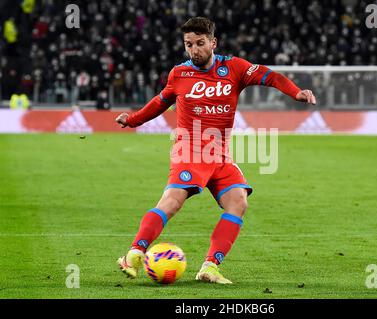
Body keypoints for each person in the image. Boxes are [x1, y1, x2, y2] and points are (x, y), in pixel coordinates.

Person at [115, 17, 316, 284]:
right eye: (188, 44)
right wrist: (132, 120)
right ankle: (134, 253)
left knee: (238, 202)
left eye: (200, 43)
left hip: (220, 154)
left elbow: (270, 76)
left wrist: (295, 93)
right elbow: (160, 102)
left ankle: (210, 266)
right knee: (172, 201)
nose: (194, 50)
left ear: (213, 42)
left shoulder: (234, 68)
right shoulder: (180, 74)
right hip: (190, 149)